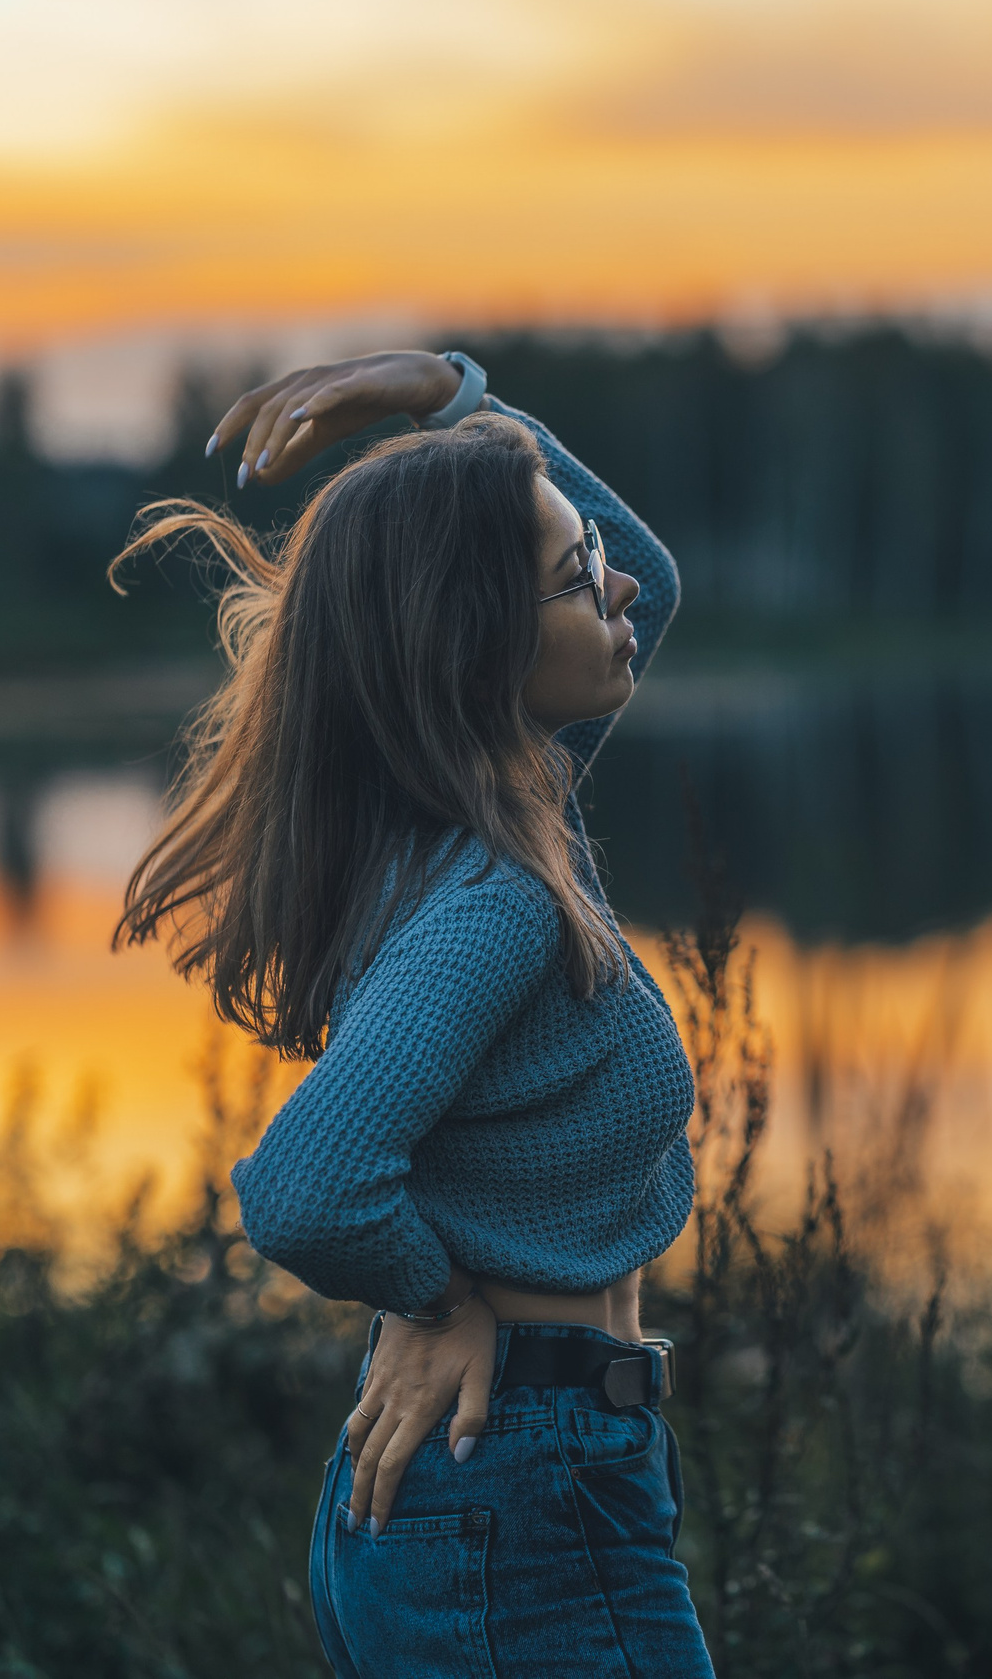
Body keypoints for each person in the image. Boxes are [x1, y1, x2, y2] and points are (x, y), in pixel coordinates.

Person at [112, 349, 712, 1676]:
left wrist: (446, 397)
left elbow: (644, 579)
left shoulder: (482, 814)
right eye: (569, 578)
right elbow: (308, 1187)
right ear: (477, 650)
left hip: (512, 1497)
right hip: (521, 1505)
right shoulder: (494, 894)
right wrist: (437, 1304)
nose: (612, 583)